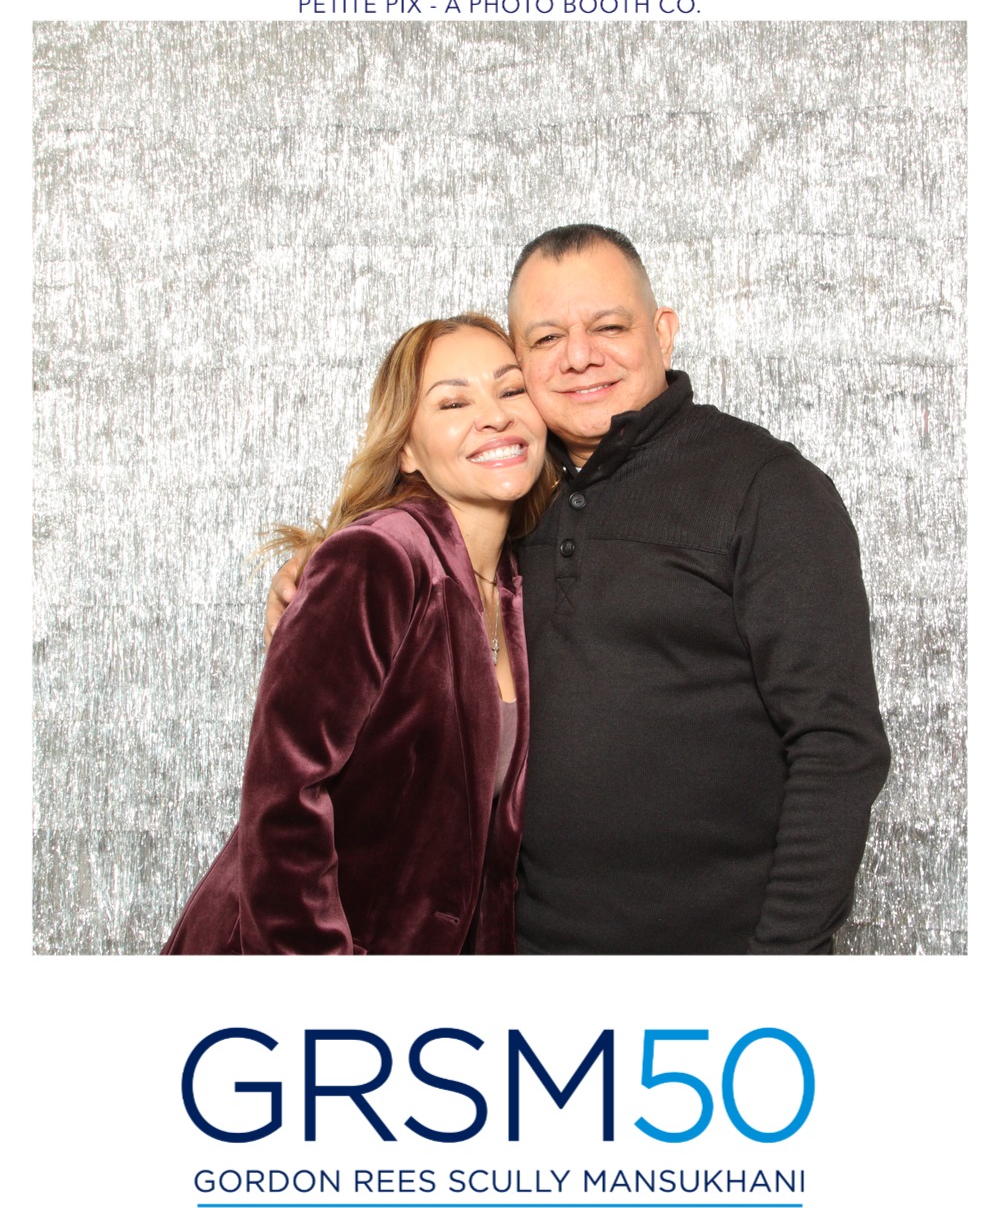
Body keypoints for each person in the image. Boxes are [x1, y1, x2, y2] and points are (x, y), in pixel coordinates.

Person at [266, 226, 892, 956]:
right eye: (546, 338)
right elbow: (412, 551)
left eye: (609, 327)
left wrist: (781, 966)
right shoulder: (514, 493)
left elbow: (836, 745)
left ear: (663, 332)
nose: (579, 356)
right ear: (521, 360)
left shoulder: (768, 489)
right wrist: (320, 567)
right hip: (517, 962)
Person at [163, 314, 554, 955]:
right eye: (453, 402)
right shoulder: (378, 557)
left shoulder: (517, 583)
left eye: (511, 390)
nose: (495, 416)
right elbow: (284, 797)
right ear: (406, 450)